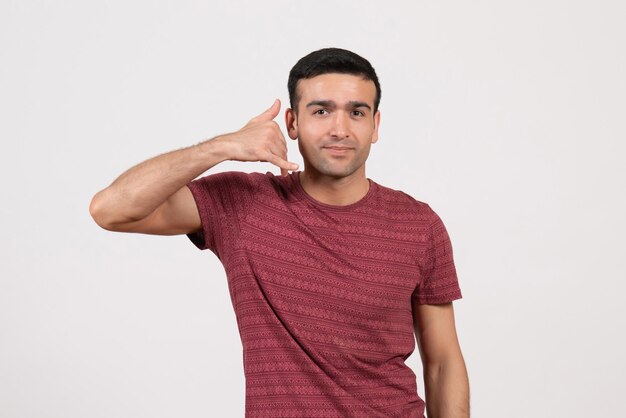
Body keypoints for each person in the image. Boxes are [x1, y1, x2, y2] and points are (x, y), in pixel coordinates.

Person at [89, 47, 470, 418]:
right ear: (292, 123)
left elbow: (442, 363)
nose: (340, 129)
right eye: (321, 111)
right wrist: (222, 147)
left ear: (375, 125)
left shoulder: (418, 224)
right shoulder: (242, 203)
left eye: (357, 112)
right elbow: (111, 210)